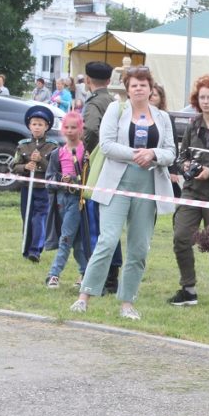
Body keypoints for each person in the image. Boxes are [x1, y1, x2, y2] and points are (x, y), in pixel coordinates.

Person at [70, 65, 176, 320]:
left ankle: (127, 302)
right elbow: (106, 145)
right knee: (107, 241)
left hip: (148, 185)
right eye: (134, 84)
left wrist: (153, 154)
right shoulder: (115, 110)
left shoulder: (162, 117)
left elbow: (171, 152)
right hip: (116, 184)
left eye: (143, 83)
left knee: (139, 247)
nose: (139, 88)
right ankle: (84, 296)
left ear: (151, 88)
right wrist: (135, 154)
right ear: (127, 89)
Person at [168, 75, 209, 307]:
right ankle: (188, 288)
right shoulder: (193, 124)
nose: (205, 101)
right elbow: (182, 154)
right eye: (202, 97)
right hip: (192, 190)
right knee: (181, 237)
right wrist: (185, 165)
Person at [82, 61, 123, 294]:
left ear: (88, 80)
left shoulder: (94, 103)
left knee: (99, 221)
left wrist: (87, 153)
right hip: (115, 164)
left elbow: (90, 129)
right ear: (108, 81)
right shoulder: (114, 102)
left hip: (99, 164)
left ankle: (106, 276)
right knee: (110, 222)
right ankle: (111, 274)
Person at [44, 111, 88, 288]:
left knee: (66, 238)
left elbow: (90, 177)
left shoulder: (86, 152)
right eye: (67, 127)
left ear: (80, 129)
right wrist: (61, 181)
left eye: (74, 127)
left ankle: (53, 274)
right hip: (62, 200)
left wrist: (76, 181)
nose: (70, 131)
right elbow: (49, 180)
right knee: (75, 241)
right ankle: (86, 273)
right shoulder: (57, 153)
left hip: (79, 200)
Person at [12, 105, 59, 262]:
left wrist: (42, 161)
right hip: (27, 187)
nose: (37, 127)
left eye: (40, 124)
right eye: (34, 124)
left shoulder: (52, 146)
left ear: (46, 127)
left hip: (43, 188)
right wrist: (25, 167)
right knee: (27, 217)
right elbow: (13, 166)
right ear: (29, 126)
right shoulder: (23, 145)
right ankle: (26, 248)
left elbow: (55, 169)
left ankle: (35, 251)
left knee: (39, 218)